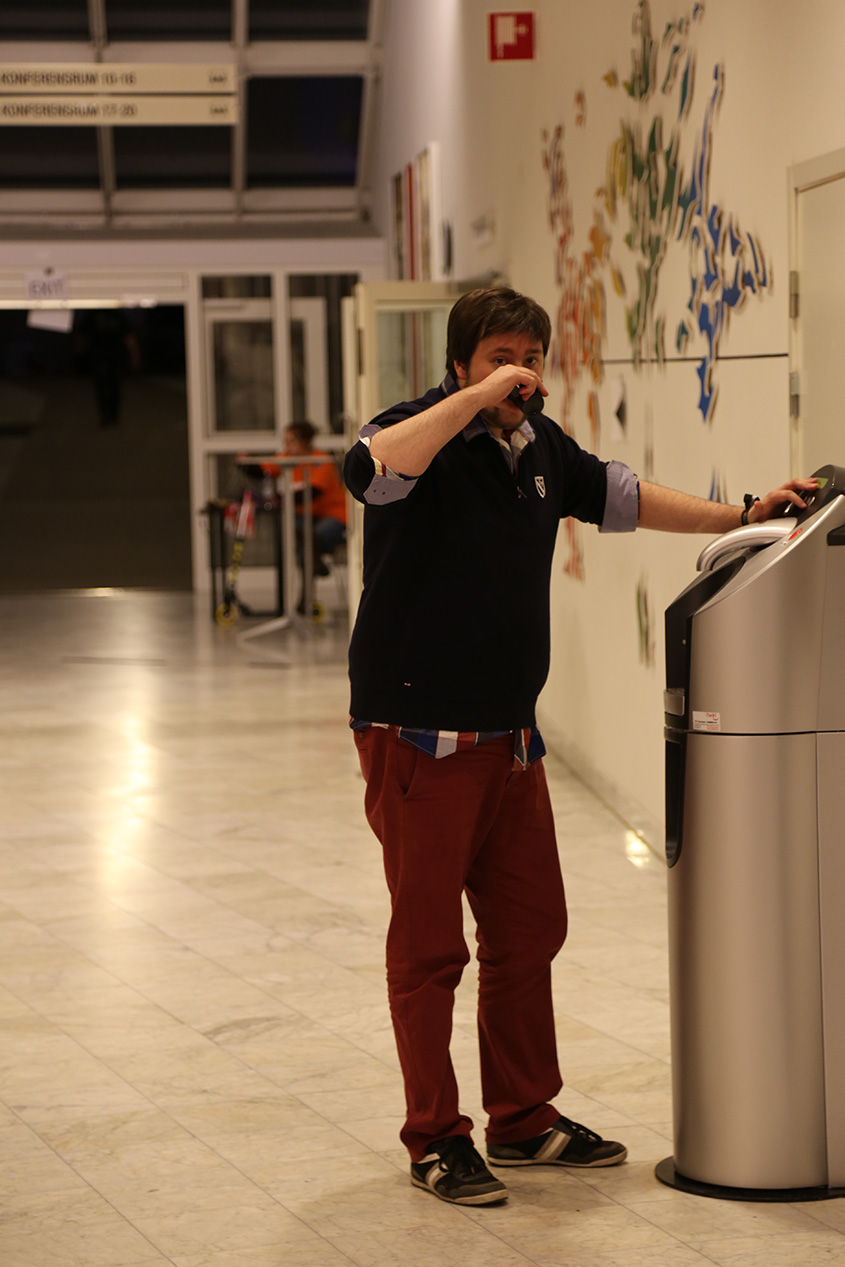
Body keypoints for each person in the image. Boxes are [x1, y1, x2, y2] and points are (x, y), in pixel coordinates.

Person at [343, 286, 815, 1208]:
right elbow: (370, 469)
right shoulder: (420, 433)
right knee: (429, 948)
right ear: (460, 364)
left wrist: (742, 514)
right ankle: (435, 1136)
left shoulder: (541, 449)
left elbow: (622, 497)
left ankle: (522, 1117)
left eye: (530, 358)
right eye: (500, 358)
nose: (520, 374)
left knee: (529, 930)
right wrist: (474, 402)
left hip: (510, 735)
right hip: (421, 735)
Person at [282, 421, 347, 578]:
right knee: (295, 532)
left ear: (304, 442)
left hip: (334, 513)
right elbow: (266, 467)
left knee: (310, 537)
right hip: (308, 514)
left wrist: (283, 498)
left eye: (291, 441)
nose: (287, 446)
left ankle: (313, 566)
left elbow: (315, 491)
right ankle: (311, 570)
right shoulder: (287, 458)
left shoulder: (321, 460)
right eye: (285, 442)